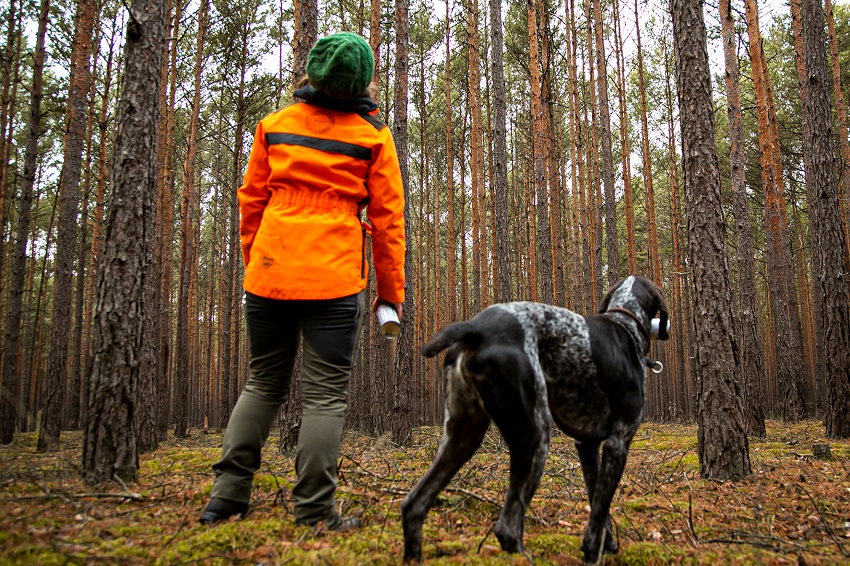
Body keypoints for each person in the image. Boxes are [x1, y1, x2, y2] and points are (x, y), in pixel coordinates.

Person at [200, 32, 405, 531]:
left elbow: (250, 202)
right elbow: (388, 221)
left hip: (269, 272)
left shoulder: (274, 126)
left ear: (312, 73)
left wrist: (259, 262)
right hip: (334, 279)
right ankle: (314, 510)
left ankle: (225, 499)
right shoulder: (372, 137)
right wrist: (389, 295)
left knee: (263, 381)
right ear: (362, 81)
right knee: (325, 395)